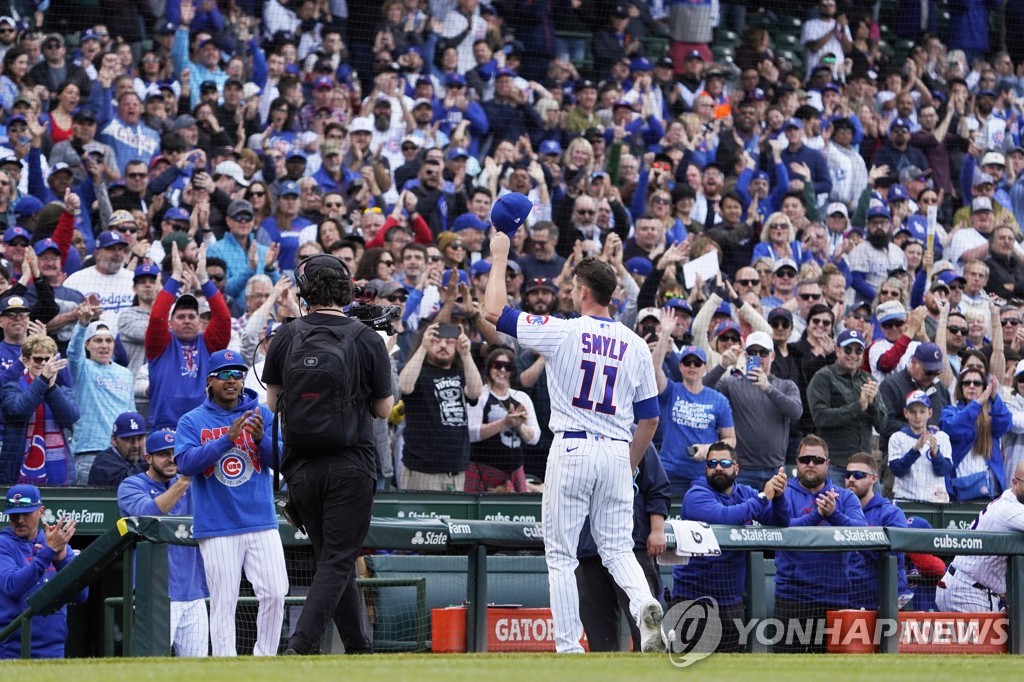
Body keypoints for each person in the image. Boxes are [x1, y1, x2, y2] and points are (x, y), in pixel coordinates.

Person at [483, 194, 668, 655]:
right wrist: (628, 465)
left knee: (561, 556)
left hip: (571, 447)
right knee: (618, 550)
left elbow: (493, 313)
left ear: (584, 291)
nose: (568, 294)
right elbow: (651, 417)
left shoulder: (564, 330)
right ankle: (644, 603)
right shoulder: (635, 343)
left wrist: (501, 255)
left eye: (572, 289)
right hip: (616, 450)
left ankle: (568, 648)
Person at [262, 253, 393, 656]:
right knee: (338, 561)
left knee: (332, 561)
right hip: (351, 464)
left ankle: (358, 648)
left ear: (305, 292)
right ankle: (298, 647)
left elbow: (271, 402)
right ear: (346, 289)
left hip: (300, 467)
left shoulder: (286, 335)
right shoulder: (368, 337)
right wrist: (383, 351)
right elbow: (384, 409)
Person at [175, 349, 288, 657]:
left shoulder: (261, 413)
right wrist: (227, 439)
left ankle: (264, 658)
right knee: (224, 601)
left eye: (237, 375)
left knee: (277, 592)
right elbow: (185, 464)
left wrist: (262, 439)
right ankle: (226, 665)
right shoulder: (192, 420)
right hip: (217, 524)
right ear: (209, 381)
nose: (232, 381)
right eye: (224, 375)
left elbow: (283, 459)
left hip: (260, 518)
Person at [670, 441, 790, 653]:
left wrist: (778, 497)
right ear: (706, 468)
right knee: (687, 671)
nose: (718, 467)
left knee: (730, 671)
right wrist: (764, 496)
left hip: (730, 601)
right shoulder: (696, 494)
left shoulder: (745, 493)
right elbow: (725, 517)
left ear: (736, 468)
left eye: (724, 462)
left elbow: (779, 521)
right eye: (712, 463)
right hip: (693, 599)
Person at [117, 430, 209, 657]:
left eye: (175, 454)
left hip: (194, 592)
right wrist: (185, 480)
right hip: (155, 596)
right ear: (148, 458)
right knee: (151, 667)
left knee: (198, 671)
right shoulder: (131, 486)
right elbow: (149, 515)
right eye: (163, 454)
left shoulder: (192, 485)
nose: (171, 459)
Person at [773, 435, 866, 654]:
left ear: (828, 463)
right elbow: (781, 528)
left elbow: (861, 533)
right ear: (796, 463)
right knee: (784, 671)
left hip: (834, 597)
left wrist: (834, 515)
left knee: (834, 672)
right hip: (792, 597)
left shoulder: (845, 497)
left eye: (816, 459)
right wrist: (817, 516)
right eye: (805, 459)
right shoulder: (782, 494)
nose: (811, 464)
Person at [576, 437, 670, 652]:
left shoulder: (635, 434)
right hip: (587, 549)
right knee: (599, 635)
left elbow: (658, 488)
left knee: (646, 629)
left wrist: (657, 530)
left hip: (631, 546)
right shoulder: (575, 438)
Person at [701, 330, 802, 490]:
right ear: (745, 355)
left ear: (772, 356)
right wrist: (722, 365)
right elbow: (700, 391)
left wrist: (767, 388)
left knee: (774, 514)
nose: (758, 357)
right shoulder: (732, 384)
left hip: (775, 469)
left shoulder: (786, 385)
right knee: (742, 514)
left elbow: (796, 412)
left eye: (763, 353)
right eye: (752, 352)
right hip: (742, 470)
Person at [0, 484, 87, 658]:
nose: (20, 520)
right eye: (14, 515)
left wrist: (61, 558)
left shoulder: (56, 542)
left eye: (26, 513)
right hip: (11, 650)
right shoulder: (4, 543)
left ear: (41, 511)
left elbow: (81, 596)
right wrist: (48, 554)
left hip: (53, 648)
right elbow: (12, 586)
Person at [935, 462, 1024, 612]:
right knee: (988, 636)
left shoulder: (1010, 498)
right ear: (1015, 483)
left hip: (967, 586)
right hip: (968, 592)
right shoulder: (1009, 508)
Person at [651, 343, 737, 497]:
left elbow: (731, 439)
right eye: (687, 362)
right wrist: (664, 333)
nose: (692, 367)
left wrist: (709, 449)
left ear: (705, 367)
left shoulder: (719, 400)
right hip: (670, 473)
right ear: (680, 366)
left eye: (697, 363)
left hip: (704, 476)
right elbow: (654, 369)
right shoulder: (670, 391)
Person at [806, 329, 888, 483]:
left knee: (873, 507)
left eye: (858, 351)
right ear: (837, 351)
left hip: (865, 467)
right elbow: (820, 417)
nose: (853, 355)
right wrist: (859, 406)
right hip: (835, 465)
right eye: (847, 349)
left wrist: (872, 404)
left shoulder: (868, 379)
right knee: (833, 507)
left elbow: (882, 424)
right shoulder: (823, 377)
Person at [0, 334, 79, 486]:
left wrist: (50, 388)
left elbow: (71, 417)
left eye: (48, 360)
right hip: (18, 470)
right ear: (25, 361)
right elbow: (19, 410)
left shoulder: (61, 389)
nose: (44, 364)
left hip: (58, 471)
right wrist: (43, 380)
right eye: (38, 359)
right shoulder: (12, 388)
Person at [67, 314, 135, 484]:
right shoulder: (82, 369)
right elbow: (73, 353)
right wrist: (82, 324)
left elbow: (131, 412)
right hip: (90, 452)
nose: (104, 346)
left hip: (121, 454)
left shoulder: (125, 373)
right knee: (88, 508)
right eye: (98, 341)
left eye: (109, 340)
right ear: (87, 344)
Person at [466, 347, 541, 493]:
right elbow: (470, 433)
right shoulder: (480, 395)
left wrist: (519, 426)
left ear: (512, 371)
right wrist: (504, 423)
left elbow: (535, 437)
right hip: (483, 469)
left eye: (507, 367)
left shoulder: (521, 398)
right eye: (496, 365)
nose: (502, 370)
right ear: (489, 367)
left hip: (515, 471)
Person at [844, 452, 910, 610]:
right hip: (849, 601)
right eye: (848, 475)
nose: (851, 479)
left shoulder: (890, 513)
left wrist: (860, 543)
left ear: (873, 479)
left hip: (885, 603)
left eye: (858, 475)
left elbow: (896, 558)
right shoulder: (838, 511)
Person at [941, 369, 1011, 502]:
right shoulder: (950, 411)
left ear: (984, 388)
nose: (971, 386)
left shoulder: (992, 413)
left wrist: (994, 397)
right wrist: (978, 403)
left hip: (990, 492)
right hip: (960, 490)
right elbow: (953, 427)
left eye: (977, 383)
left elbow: (1004, 423)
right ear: (960, 387)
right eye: (967, 383)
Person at [888, 390, 953, 503]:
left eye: (922, 411)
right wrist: (915, 450)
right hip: (905, 499)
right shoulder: (897, 437)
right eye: (913, 412)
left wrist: (936, 453)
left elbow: (943, 471)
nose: (917, 416)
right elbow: (897, 470)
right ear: (906, 413)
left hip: (935, 501)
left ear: (930, 413)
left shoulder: (941, 437)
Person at [86, 412, 148, 487]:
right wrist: (152, 464)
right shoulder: (103, 462)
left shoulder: (142, 460)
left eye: (139, 438)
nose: (135, 445)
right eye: (128, 439)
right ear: (114, 440)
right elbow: (129, 485)